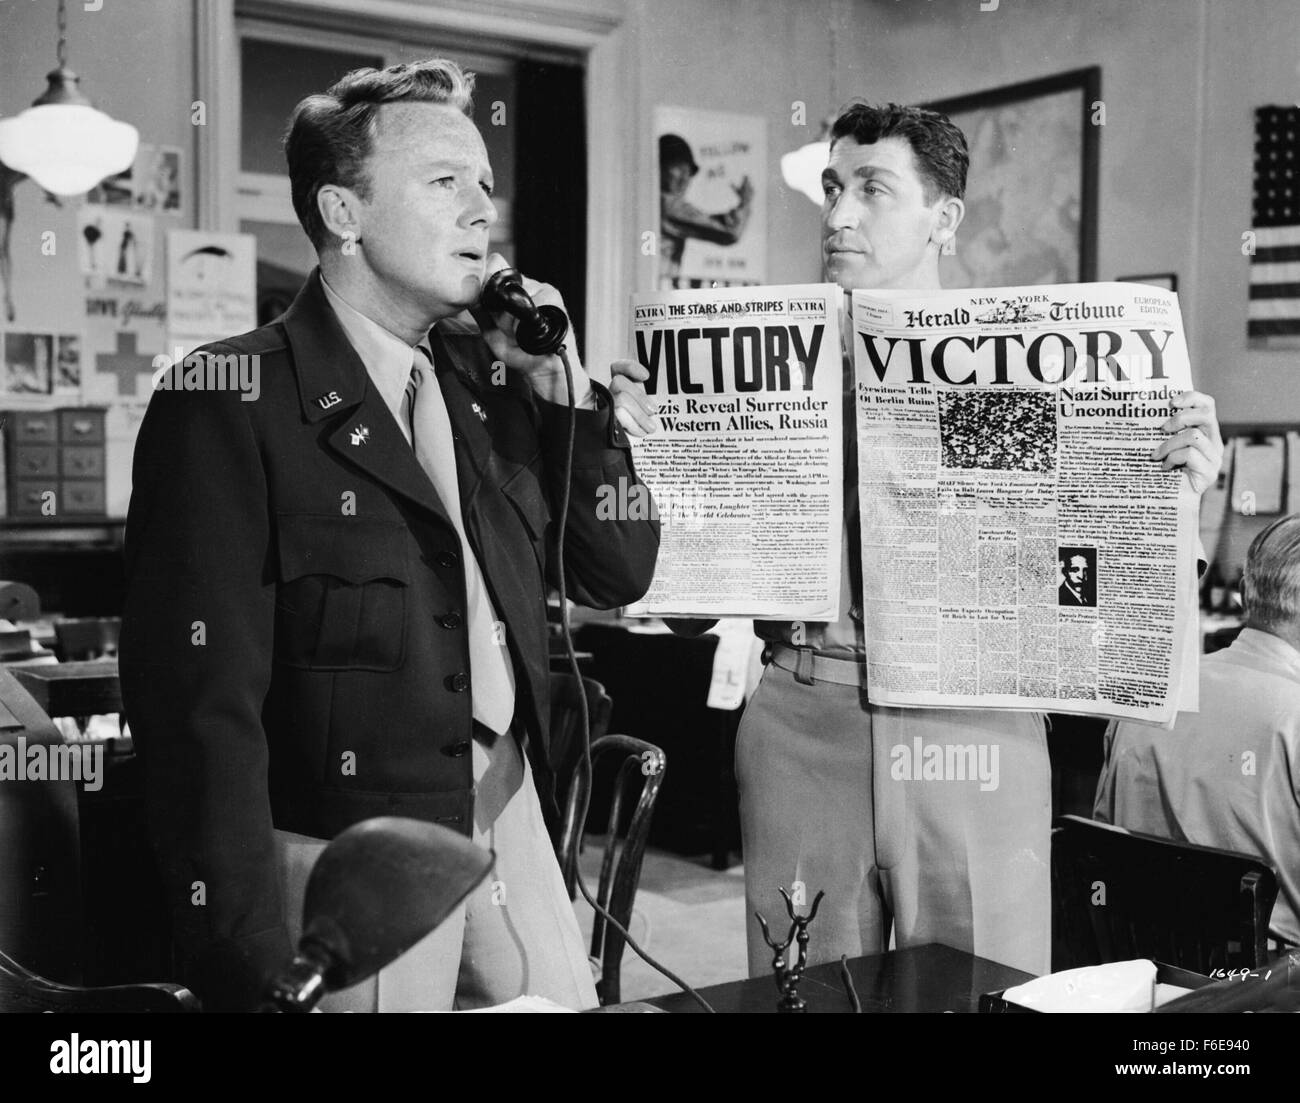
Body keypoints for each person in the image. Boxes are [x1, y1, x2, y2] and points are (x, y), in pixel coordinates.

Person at [617, 101, 1225, 978]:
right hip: (802, 724)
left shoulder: (1014, 362)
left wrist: (1172, 492)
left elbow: (1080, 585)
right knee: (804, 993)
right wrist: (647, 450)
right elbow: (682, 609)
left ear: (944, 216)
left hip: (973, 723)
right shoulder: (767, 362)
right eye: (831, 188)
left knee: (981, 989)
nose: (839, 215)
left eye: (872, 189)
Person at [119, 58, 659, 1012]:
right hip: (349, 856)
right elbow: (200, 717)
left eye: (485, 186)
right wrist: (248, 960)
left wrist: (562, 392)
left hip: (508, 814)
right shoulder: (228, 400)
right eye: (444, 181)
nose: (478, 211)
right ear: (344, 213)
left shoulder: (487, 388)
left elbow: (618, 568)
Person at [1095, 515, 1300, 949]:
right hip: (1271, 990)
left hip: (1139, 972)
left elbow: (1100, 842)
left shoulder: (1152, 695)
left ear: (1246, 593)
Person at [658, 132, 753, 286]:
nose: (685, 178)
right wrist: (745, 202)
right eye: (678, 168)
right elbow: (730, 232)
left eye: (688, 172)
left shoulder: (654, 202)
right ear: (660, 168)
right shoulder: (667, 204)